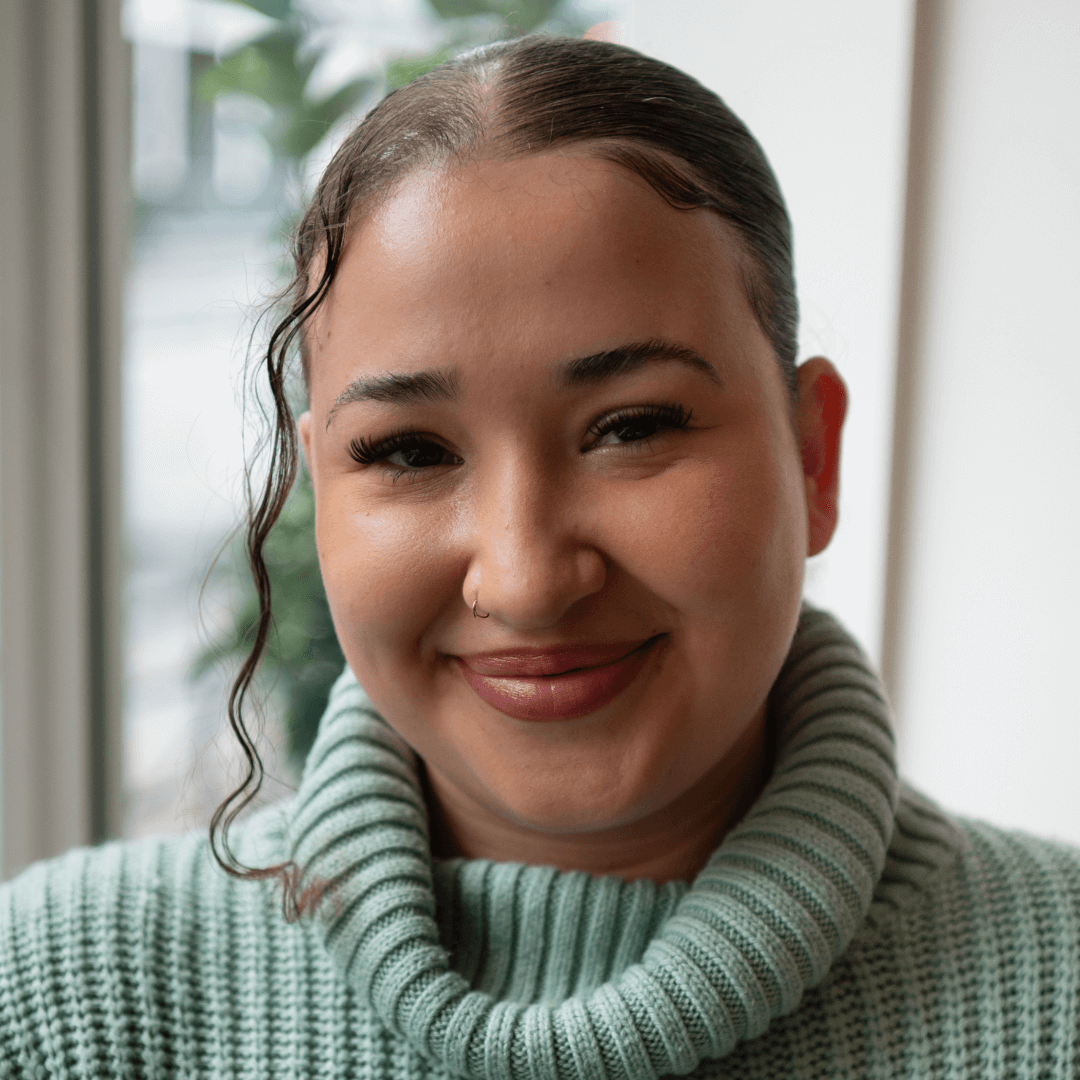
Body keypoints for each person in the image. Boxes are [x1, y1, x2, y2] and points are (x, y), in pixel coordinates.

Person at [1, 34, 1078, 1080]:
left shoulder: (1056, 982)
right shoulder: (58, 997)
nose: (524, 580)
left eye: (633, 427)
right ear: (321, 491)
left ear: (813, 458)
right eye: (410, 451)